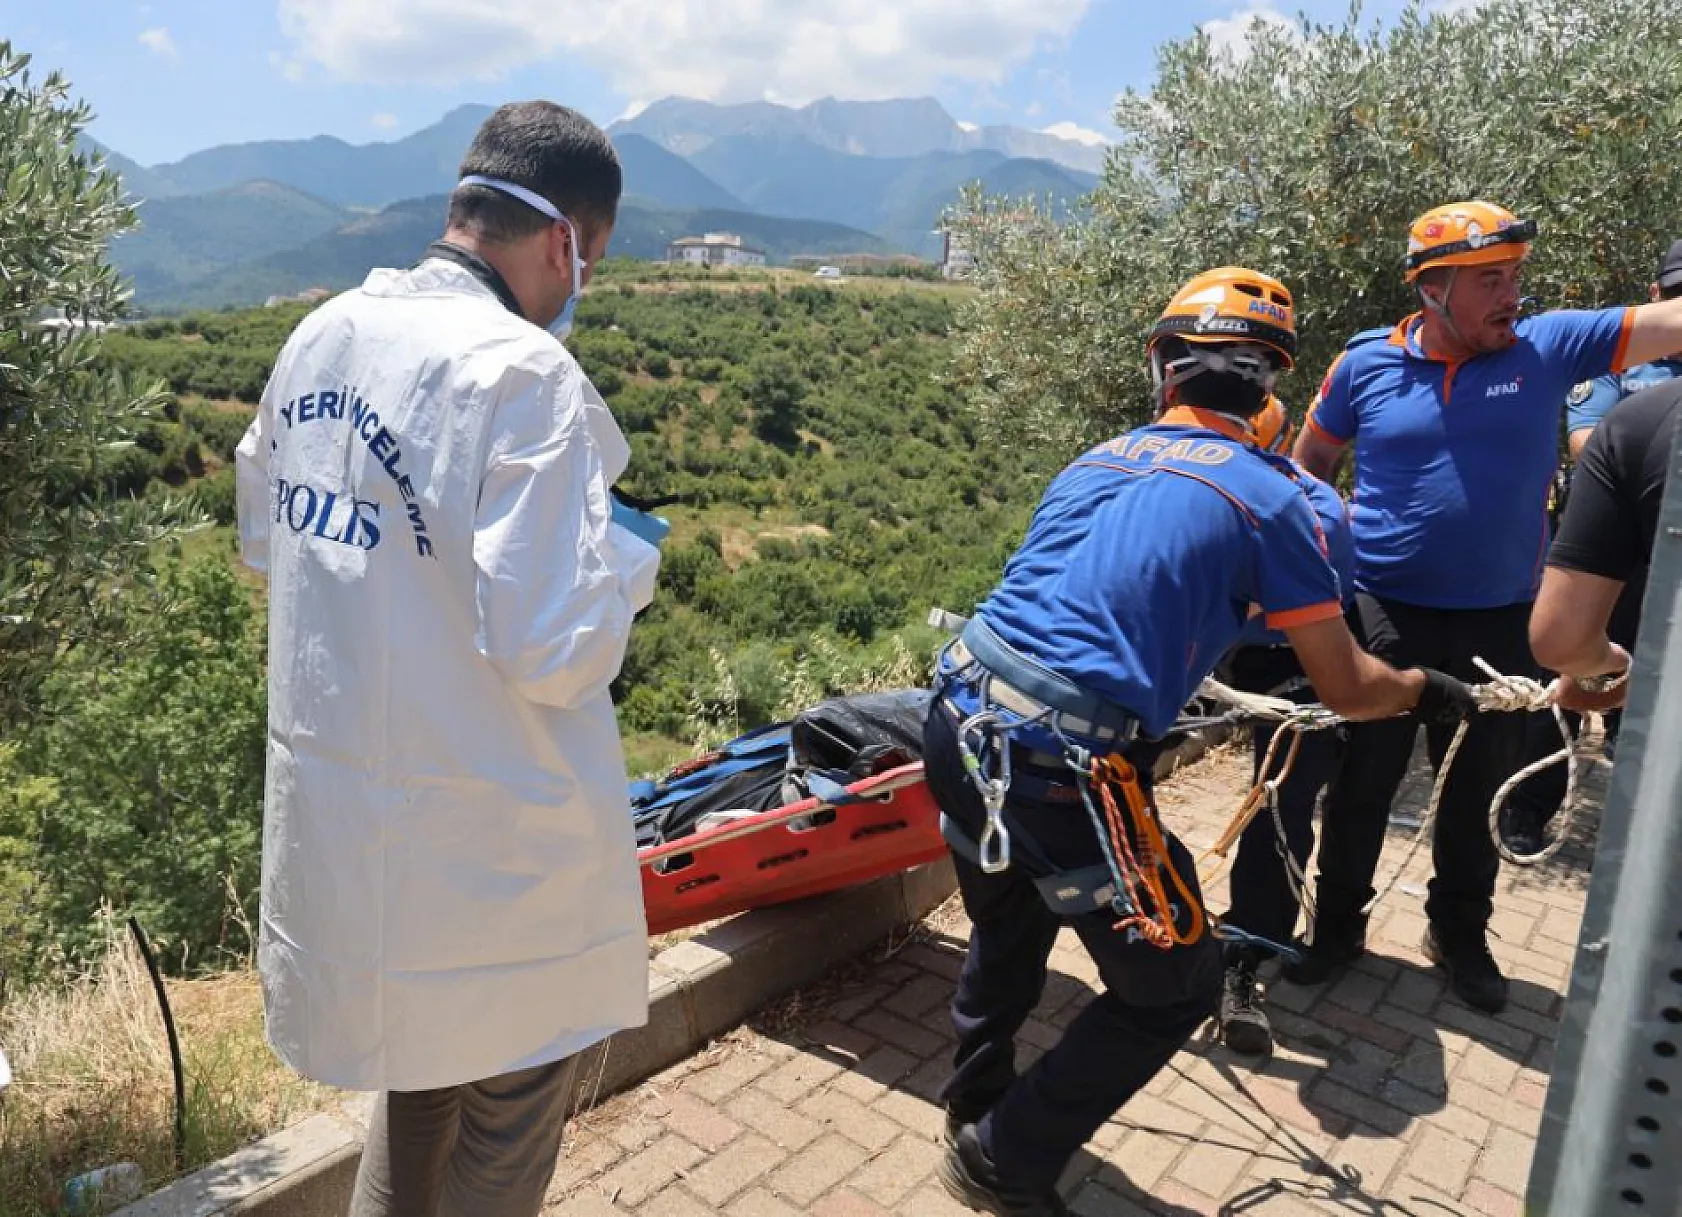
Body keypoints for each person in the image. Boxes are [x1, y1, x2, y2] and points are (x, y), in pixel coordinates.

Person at [926, 267, 1478, 1217]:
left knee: (1009, 919)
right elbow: (1346, 685)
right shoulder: (1274, 501)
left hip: (959, 717)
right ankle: (1003, 1155)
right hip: (1070, 768)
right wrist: (1425, 689)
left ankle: (976, 1096)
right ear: (1270, 388)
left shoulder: (1096, 459)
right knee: (1174, 982)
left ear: (1164, 372)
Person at [234, 102, 662, 1217]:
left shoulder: (319, 337)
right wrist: (629, 564)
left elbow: (262, 544)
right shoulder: (521, 375)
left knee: (417, 1078)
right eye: (593, 261)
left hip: (354, 838)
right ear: (567, 239)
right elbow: (555, 649)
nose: (582, 285)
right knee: (510, 1095)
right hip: (494, 857)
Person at [1286, 202, 1682, 1014]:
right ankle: (1336, 929)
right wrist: (1315, 562)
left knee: (1476, 795)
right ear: (1433, 292)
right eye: (1490, 281)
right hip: (1384, 612)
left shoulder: (1550, 346)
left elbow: (1668, 321)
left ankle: (1459, 933)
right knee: (1363, 787)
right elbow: (1312, 460)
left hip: (1505, 620)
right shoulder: (1364, 365)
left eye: (1516, 277)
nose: (1513, 295)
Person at [1503, 238, 1682, 852]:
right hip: (1605, 562)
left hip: (1668, 568)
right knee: (1567, 690)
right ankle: (1525, 812)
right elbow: (1589, 444)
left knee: (1648, 709)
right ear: (1656, 296)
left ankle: (1637, 838)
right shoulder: (1621, 369)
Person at [1211, 397, 1355, 1056]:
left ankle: (1247, 956)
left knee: (1285, 798)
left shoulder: (1318, 510)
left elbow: (1317, 614)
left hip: (1292, 653)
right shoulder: (1198, 489)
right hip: (1205, 641)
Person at [1529, 377, 1682, 714]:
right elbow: (1583, 442)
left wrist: (1614, 670)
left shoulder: (1649, 416)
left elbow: (1562, 641)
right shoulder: (1619, 376)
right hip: (1621, 566)